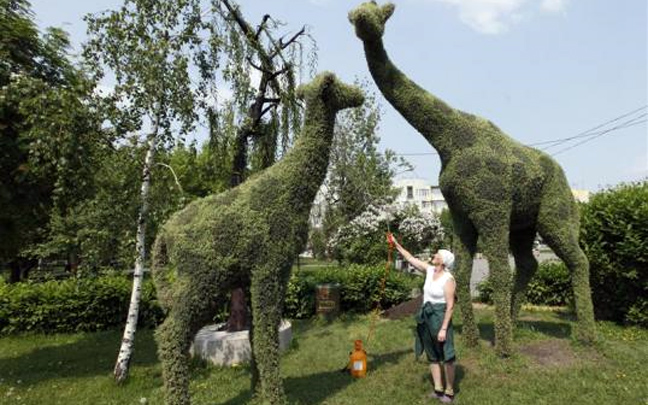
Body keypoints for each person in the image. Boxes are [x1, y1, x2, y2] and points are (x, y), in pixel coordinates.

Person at [388, 233, 457, 403]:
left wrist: (443, 328)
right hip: (426, 316)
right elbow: (410, 257)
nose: (434, 256)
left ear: (444, 261)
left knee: (446, 355)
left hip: (440, 316)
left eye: (437, 255)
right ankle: (438, 388)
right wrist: (396, 243)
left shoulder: (449, 279)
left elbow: (450, 306)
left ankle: (449, 391)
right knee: (432, 354)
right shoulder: (429, 270)